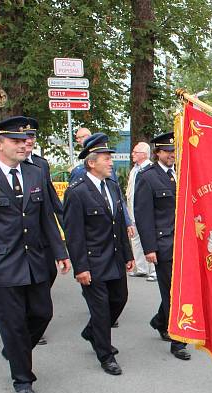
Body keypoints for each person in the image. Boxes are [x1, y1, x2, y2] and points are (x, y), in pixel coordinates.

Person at [0, 116, 70, 393]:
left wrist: (60, 252)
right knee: (13, 324)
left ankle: (15, 349)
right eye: (16, 141)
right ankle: (23, 379)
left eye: (26, 140)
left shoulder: (35, 173)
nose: (24, 145)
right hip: (0, 265)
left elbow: (46, 216)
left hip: (34, 260)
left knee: (42, 313)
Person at [62, 133, 134, 376]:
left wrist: (128, 254)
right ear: (91, 162)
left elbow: (119, 226)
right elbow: (74, 234)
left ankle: (93, 330)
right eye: (106, 158)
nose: (111, 162)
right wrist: (80, 267)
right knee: (101, 309)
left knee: (120, 299)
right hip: (92, 261)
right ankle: (105, 354)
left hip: (114, 257)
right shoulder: (77, 192)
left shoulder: (112, 186)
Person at [133, 132, 190, 360]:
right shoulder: (147, 177)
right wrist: (149, 248)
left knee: (176, 289)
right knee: (171, 292)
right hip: (163, 243)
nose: (171, 156)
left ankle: (159, 320)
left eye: (173, 151)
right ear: (157, 153)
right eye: (167, 152)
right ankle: (178, 341)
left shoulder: (177, 174)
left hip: (181, 242)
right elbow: (143, 215)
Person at [22, 117, 64, 345]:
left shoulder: (41, 164)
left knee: (49, 273)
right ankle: (27, 325)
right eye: (25, 137)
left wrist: (65, 218)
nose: (29, 141)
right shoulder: (2, 165)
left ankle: (33, 313)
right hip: (21, 237)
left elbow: (49, 196)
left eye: (32, 137)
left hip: (42, 230)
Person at [126, 141, 155, 281]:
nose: (133, 154)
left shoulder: (150, 169)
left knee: (149, 238)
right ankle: (142, 268)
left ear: (144, 154)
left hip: (145, 211)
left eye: (135, 152)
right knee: (135, 238)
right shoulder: (134, 169)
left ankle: (153, 270)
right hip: (133, 209)